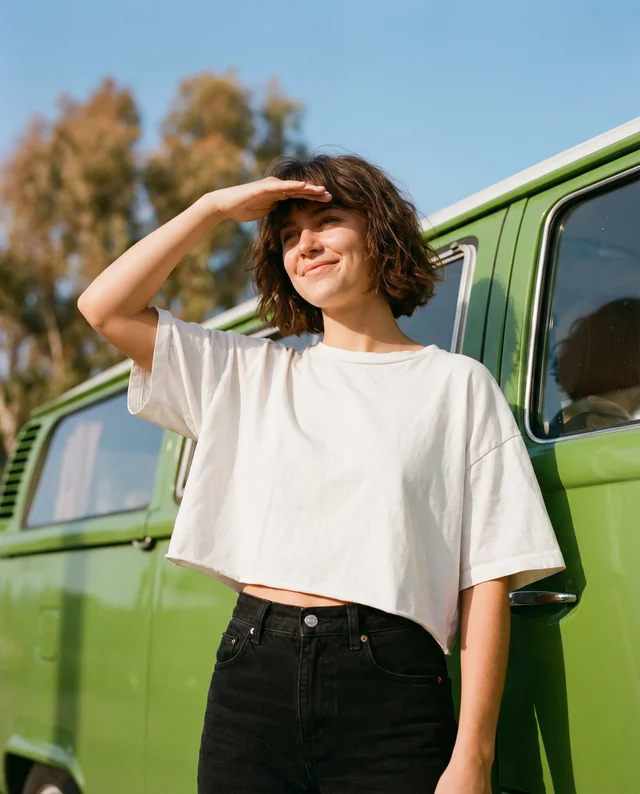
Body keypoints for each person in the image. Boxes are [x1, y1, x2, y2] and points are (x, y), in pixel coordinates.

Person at [78, 153, 566, 794]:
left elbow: (487, 582)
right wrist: (214, 208)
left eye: (328, 221)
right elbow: (104, 308)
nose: (305, 244)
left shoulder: (456, 387)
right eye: (287, 236)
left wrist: (473, 757)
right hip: (252, 677)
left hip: (391, 685)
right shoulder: (251, 374)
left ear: (380, 233)